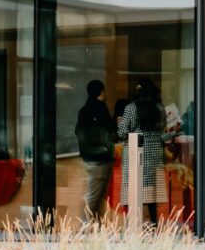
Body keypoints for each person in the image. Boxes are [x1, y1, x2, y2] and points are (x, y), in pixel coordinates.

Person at [118, 78, 175, 225]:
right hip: (155, 153)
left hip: (135, 152)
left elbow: (122, 132)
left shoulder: (130, 109)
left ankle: (135, 224)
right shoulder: (160, 108)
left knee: (135, 189)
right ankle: (154, 223)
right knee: (152, 192)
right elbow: (163, 130)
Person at [75, 80, 115, 221]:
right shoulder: (100, 108)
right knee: (96, 196)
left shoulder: (84, 109)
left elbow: (78, 132)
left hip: (88, 158)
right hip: (101, 159)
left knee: (95, 195)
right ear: (102, 92)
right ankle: (85, 227)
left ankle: (94, 228)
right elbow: (109, 129)